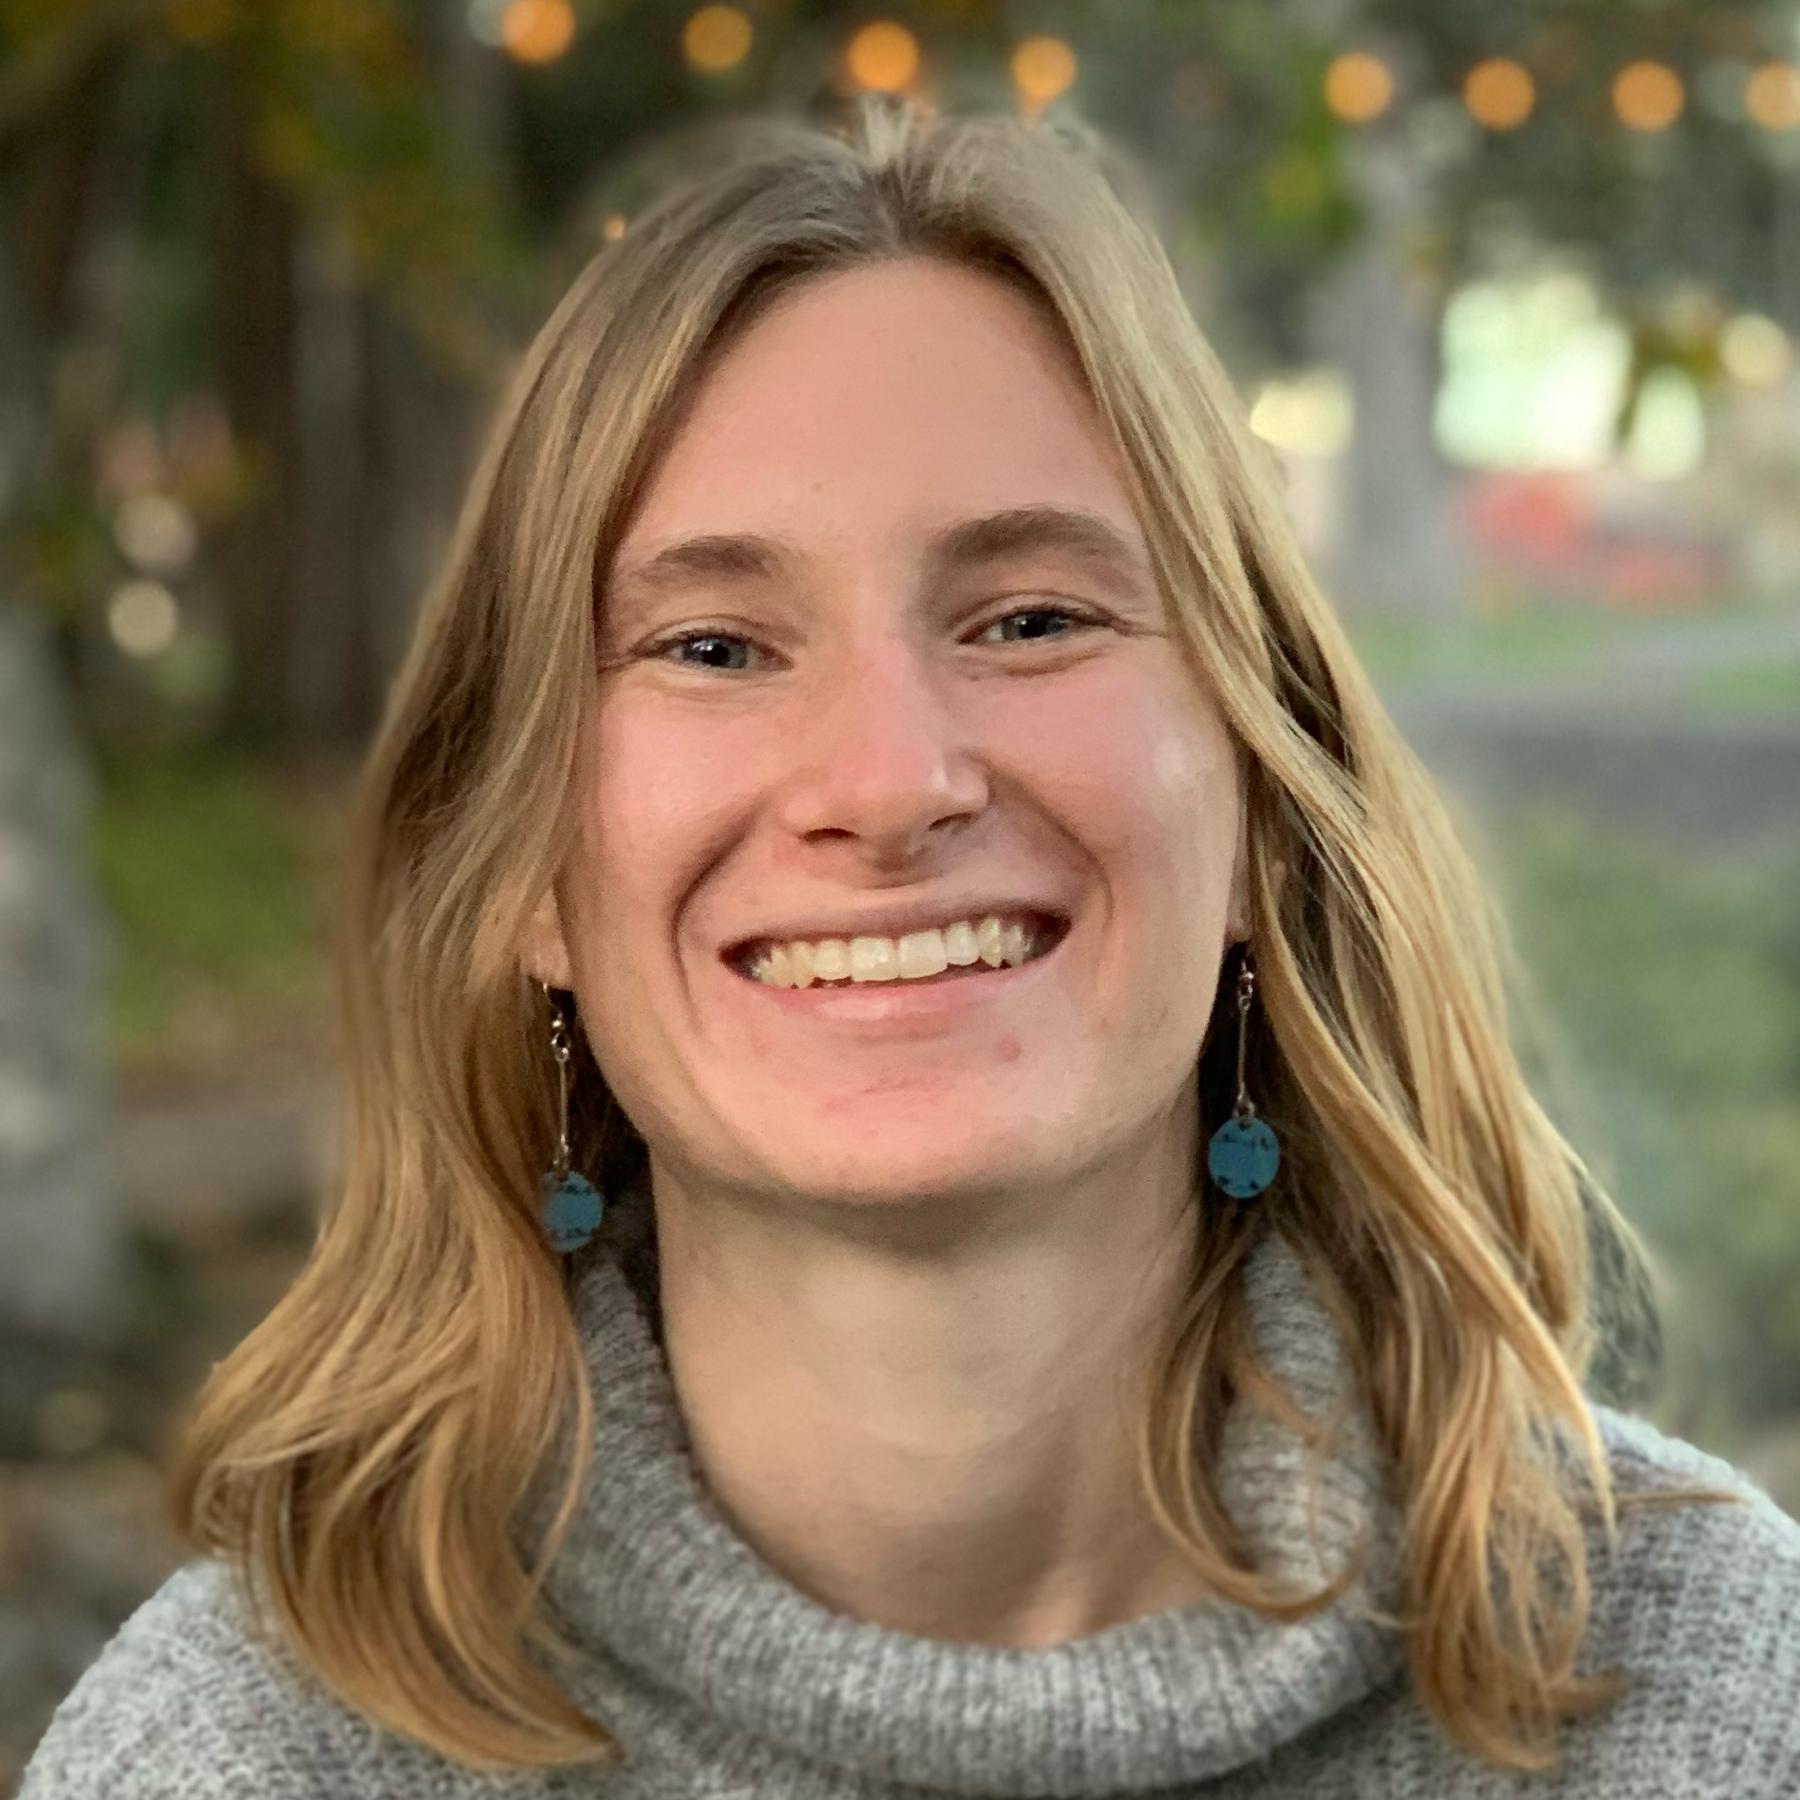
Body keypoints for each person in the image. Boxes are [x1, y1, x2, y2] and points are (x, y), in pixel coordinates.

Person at [21, 96, 1800, 1800]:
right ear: (521, 874)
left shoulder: (1722, 1700)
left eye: (1029, 619)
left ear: (1265, 803)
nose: (887, 786)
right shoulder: (243, 1758)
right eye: (713, 647)